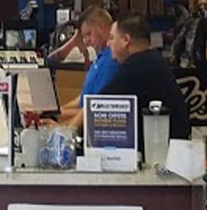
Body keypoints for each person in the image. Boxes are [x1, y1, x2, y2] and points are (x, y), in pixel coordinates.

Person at [81, 13, 190, 142]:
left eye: (112, 38)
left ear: (126, 40)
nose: (108, 44)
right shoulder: (152, 60)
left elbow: (97, 107)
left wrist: (68, 129)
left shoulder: (136, 67)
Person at [50, 6, 116, 122]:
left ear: (101, 28)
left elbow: (95, 108)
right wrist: (56, 111)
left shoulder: (112, 59)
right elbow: (84, 99)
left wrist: (57, 118)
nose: (86, 41)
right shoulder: (100, 58)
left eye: (89, 34)